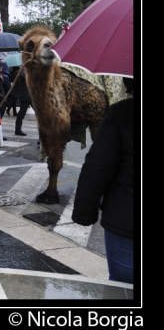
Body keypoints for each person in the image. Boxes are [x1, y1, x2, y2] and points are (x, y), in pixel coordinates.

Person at [72, 78, 134, 284]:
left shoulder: (123, 113)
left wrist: (84, 212)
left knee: (122, 289)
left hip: (127, 219)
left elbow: (98, 166)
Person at [13, 68, 33, 136]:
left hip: (31, 96)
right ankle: (17, 129)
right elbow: (25, 76)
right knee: (22, 113)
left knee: (39, 114)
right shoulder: (23, 73)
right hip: (25, 96)